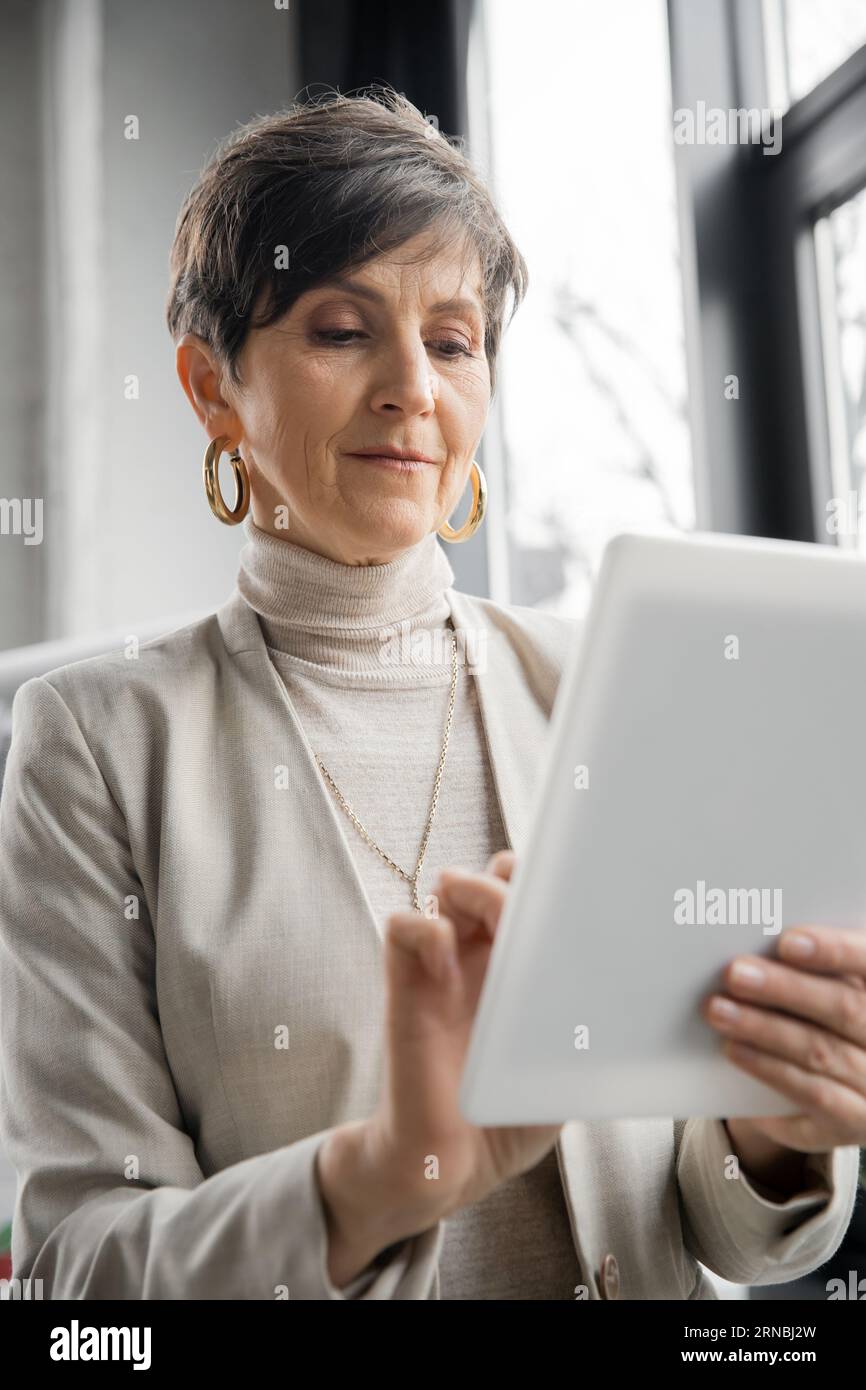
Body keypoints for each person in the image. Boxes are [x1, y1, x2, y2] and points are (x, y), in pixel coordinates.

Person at [0, 89, 862, 1301]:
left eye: (453, 340)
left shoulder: (601, 685)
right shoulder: (93, 744)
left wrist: (783, 1122)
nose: (414, 386)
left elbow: (725, 1225)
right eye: (342, 330)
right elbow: (78, 1276)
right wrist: (381, 1179)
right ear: (211, 388)